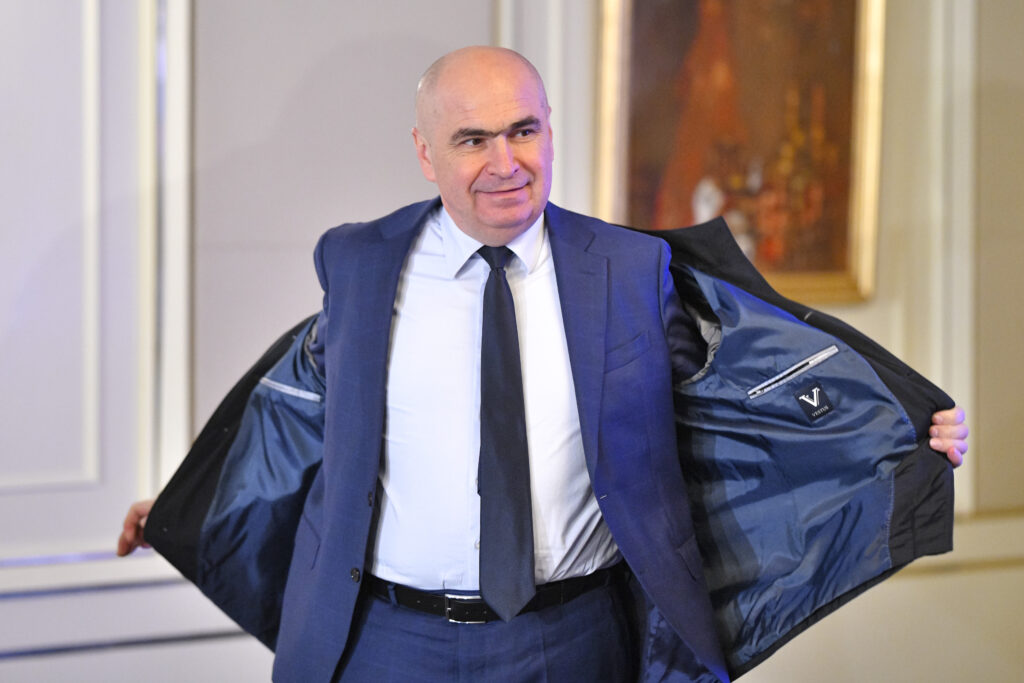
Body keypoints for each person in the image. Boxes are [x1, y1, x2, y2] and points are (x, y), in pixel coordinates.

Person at [118, 46, 969, 682]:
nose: (505, 164)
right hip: (381, 641)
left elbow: (741, 396)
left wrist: (898, 424)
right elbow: (300, 410)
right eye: (472, 139)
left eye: (523, 131)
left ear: (549, 129)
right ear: (425, 152)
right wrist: (188, 502)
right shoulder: (359, 262)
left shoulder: (631, 270)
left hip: (573, 639)